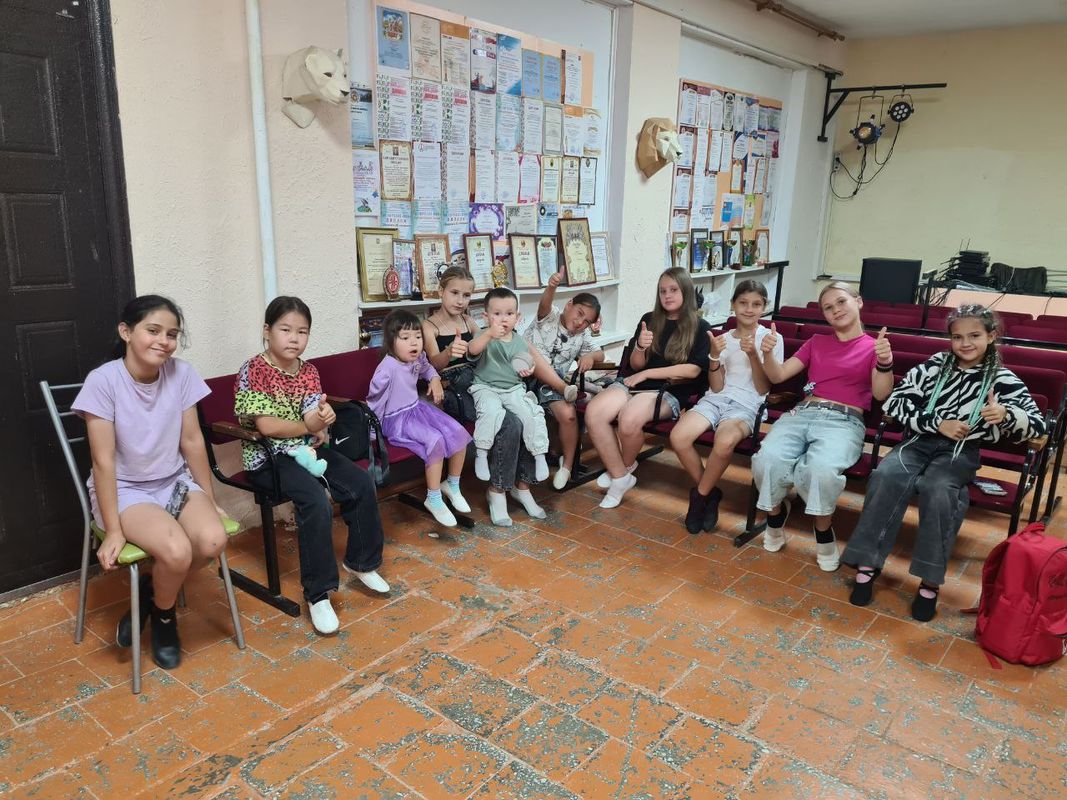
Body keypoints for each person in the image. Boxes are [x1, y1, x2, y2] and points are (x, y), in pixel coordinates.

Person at [842, 305, 1044, 620]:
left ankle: (929, 581)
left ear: (991, 336)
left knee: (939, 489)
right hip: (918, 442)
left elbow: (1038, 427)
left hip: (961, 451)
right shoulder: (935, 366)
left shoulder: (1002, 379)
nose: (965, 343)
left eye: (974, 335)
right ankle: (867, 564)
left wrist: (1006, 414)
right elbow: (896, 403)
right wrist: (937, 423)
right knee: (886, 476)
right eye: (957, 337)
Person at [73, 295, 229, 669]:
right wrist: (113, 530)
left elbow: (192, 441)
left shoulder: (182, 374)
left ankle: (150, 593)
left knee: (213, 540)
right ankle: (164, 617)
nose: (164, 341)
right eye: (153, 331)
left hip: (173, 481)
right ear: (126, 332)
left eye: (171, 334)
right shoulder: (103, 381)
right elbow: (103, 461)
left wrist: (209, 499)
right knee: (176, 552)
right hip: (125, 489)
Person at [234, 296, 387, 635]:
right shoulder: (253, 370)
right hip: (268, 458)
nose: (294, 338)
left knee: (360, 482)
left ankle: (361, 562)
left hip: (305, 450)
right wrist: (310, 426)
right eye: (285, 330)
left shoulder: (308, 371)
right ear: (267, 331)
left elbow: (311, 414)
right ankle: (318, 594)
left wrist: (323, 416)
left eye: (302, 332)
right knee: (316, 501)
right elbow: (267, 427)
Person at [750, 282, 894, 570]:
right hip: (803, 412)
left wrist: (885, 361)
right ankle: (776, 515)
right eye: (828, 307)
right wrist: (767, 354)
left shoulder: (874, 346)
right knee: (767, 459)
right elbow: (778, 376)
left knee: (821, 469)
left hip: (844, 420)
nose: (835, 310)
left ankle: (823, 528)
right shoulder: (816, 342)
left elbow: (881, 394)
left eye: (841, 302)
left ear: (858, 302)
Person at [422, 267, 545, 527]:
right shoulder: (429, 325)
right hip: (453, 388)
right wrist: (449, 352)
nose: (460, 300)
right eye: (454, 293)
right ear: (441, 291)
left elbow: (487, 350)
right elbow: (432, 365)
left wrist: (519, 361)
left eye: (466, 295)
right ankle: (497, 491)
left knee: (527, 416)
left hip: (480, 380)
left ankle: (521, 485)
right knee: (509, 423)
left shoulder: (469, 322)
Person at [585, 267, 713, 509]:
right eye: (663, 291)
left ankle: (621, 470)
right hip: (634, 383)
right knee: (595, 412)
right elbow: (635, 365)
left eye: (673, 290)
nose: (667, 295)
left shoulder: (700, 326)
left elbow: (693, 371)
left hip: (668, 391)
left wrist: (646, 373)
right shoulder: (650, 319)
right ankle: (620, 476)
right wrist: (640, 348)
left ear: (686, 291)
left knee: (629, 417)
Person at [670, 280, 782, 534]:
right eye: (743, 303)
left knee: (724, 441)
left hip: (748, 404)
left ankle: (699, 499)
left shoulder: (772, 339)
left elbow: (763, 388)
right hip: (716, 399)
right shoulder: (721, 339)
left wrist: (753, 354)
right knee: (679, 437)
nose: (749, 309)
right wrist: (713, 356)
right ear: (733, 304)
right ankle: (709, 493)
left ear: (764, 307)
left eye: (756, 304)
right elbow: (717, 387)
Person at [367, 309, 472, 527]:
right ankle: (433, 497)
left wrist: (434, 379)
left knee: (458, 432)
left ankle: (452, 484)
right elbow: (374, 403)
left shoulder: (418, 357)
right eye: (405, 338)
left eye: (417, 336)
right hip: (397, 420)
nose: (414, 342)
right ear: (391, 341)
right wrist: (372, 434)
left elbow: (427, 368)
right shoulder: (387, 369)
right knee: (435, 440)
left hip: (417, 410)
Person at [524, 269, 606, 489]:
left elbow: (600, 354)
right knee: (529, 352)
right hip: (523, 379)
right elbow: (544, 304)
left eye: (587, 321)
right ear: (569, 304)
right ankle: (561, 390)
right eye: (579, 313)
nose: (580, 322)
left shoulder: (582, 335)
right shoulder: (550, 316)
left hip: (549, 387)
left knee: (568, 414)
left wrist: (589, 356)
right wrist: (551, 286)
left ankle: (567, 466)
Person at [467, 288, 553, 484]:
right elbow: (472, 349)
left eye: (509, 314)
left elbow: (525, 362)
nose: (503, 319)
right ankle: (481, 453)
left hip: (513, 388)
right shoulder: (483, 335)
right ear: (486, 317)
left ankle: (540, 455)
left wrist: (529, 369)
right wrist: (489, 334)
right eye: (497, 314)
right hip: (485, 387)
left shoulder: (520, 342)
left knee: (532, 413)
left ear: (517, 318)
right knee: (490, 411)